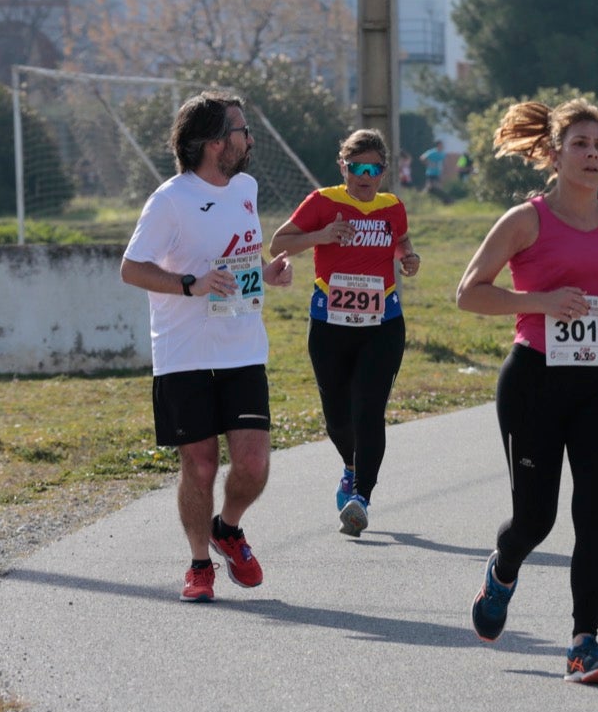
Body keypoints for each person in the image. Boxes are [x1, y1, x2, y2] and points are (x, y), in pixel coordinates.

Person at [455, 98, 598, 686]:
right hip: (535, 380)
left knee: (595, 516)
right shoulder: (526, 220)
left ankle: (583, 643)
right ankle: (503, 567)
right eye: (581, 145)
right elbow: (469, 292)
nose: (593, 156)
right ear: (555, 153)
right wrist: (540, 302)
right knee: (534, 519)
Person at [119, 92, 295, 602]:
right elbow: (132, 268)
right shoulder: (170, 200)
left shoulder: (246, 188)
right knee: (198, 465)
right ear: (216, 142)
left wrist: (265, 275)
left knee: (254, 464)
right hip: (184, 354)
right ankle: (199, 564)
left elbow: (236, 265)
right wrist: (190, 284)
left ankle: (228, 528)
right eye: (242, 131)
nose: (250, 139)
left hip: (242, 349)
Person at [269, 128, 420, 538]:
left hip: (383, 324)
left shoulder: (393, 207)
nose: (364, 176)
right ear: (344, 167)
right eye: (356, 167)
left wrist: (408, 258)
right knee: (337, 418)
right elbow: (278, 243)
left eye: (372, 168)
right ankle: (351, 467)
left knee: (368, 410)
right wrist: (321, 235)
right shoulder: (324, 202)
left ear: (384, 171)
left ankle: (362, 498)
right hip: (330, 325)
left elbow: (402, 241)